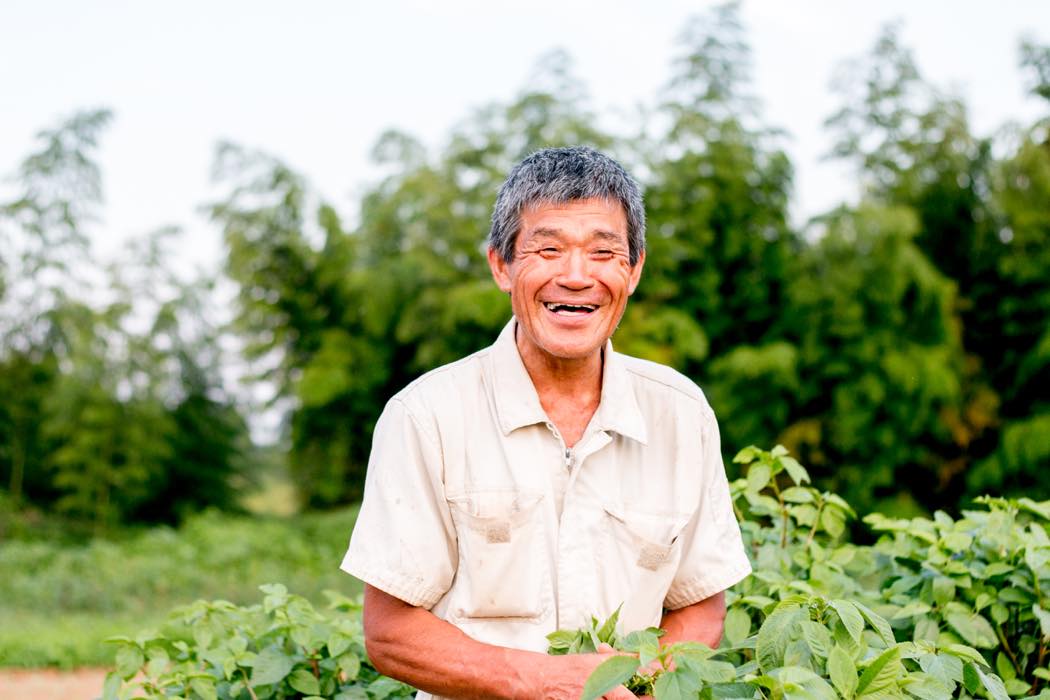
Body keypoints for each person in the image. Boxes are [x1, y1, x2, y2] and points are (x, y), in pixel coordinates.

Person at [341, 146, 751, 699]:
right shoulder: (427, 415)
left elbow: (700, 605)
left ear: (633, 270)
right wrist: (546, 683)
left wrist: (627, 682)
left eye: (604, 252)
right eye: (548, 248)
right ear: (501, 266)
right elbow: (390, 634)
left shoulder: (681, 413)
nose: (576, 276)